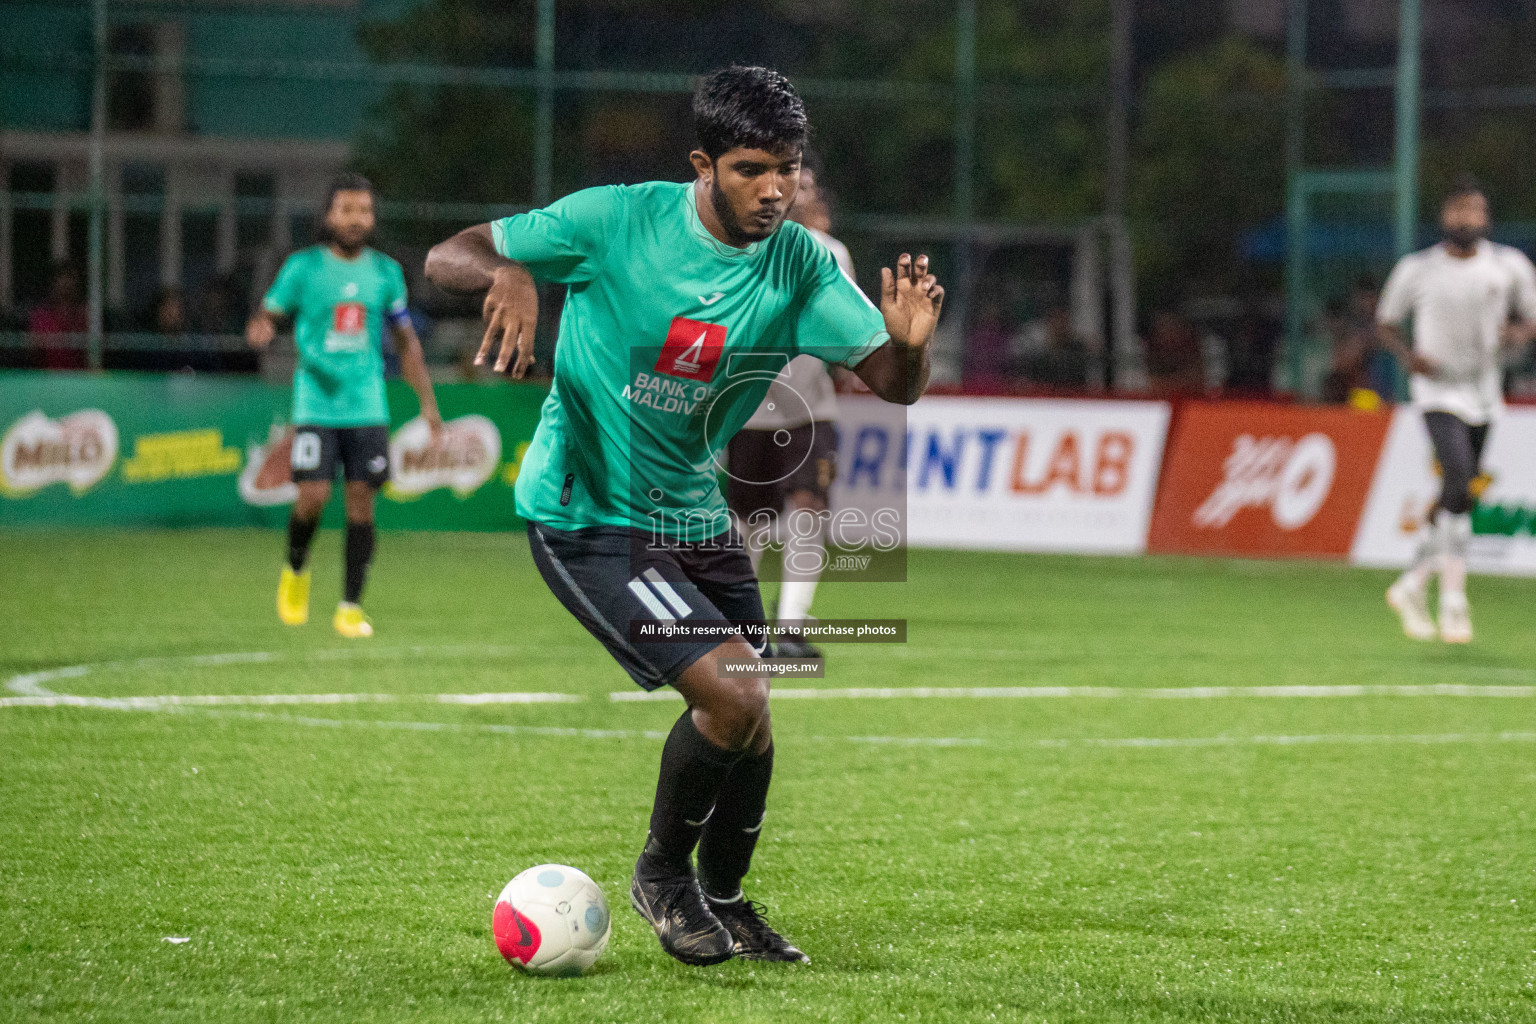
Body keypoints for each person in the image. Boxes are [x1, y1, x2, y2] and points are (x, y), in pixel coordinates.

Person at [424, 66, 943, 967]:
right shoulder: (615, 220)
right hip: (588, 514)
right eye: (751, 168)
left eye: (787, 167)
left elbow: (892, 388)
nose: (775, 188)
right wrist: (505, 270)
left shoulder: (801, 263)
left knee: (755, 716)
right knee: (735, 692)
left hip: (694, 517)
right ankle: (663, 878)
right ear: (702, 164)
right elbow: (446, 254)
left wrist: (908, 347)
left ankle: (728, 899)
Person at [246, 172, 443, 639]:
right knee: (312, 497)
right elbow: (268, 313)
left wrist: (428, 405)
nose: (357, 220)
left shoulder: (385, 272)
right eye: (347, 210)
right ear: (328, 215)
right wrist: (261, 327)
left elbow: (406, 341)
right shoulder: (302, 268)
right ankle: (296, 569)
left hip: (367, 405)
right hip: (316, 402)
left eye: (365, 211)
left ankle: (350, 607)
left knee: (361, 503)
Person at [1378, 178, 1536, 643]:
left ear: (1486, 218)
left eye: (1475, 210)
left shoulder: (1508, 266)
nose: (1466, 218)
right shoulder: (1417, 269)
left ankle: (1411, 584)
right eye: (1458, 209)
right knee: (1458, 476)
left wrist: (1518, 335)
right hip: (1436, 391)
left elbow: (1531, 319)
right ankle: (1453, 602)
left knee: (1458, 495)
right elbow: (1386, 324)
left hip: (1484, 391)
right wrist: (1410, 358)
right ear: (1444, 216)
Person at [725, 155, 845, 659]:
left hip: (809, 410)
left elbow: (843, 328)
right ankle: (744, 627)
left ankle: (791, 624)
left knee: (807, 510)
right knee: (747, 522)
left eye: (809, 187)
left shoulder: (829, 253)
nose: (803, 195)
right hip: (749, 409)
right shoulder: (744, 251)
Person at [28, 263, 89, 370]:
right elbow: (33, 353)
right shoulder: (41, 315)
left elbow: (94, 351)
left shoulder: (87, 314)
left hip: (81, 379)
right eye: (61, 277)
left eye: (70, 277)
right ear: (52, 283)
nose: (66, 283)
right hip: (46, 379)